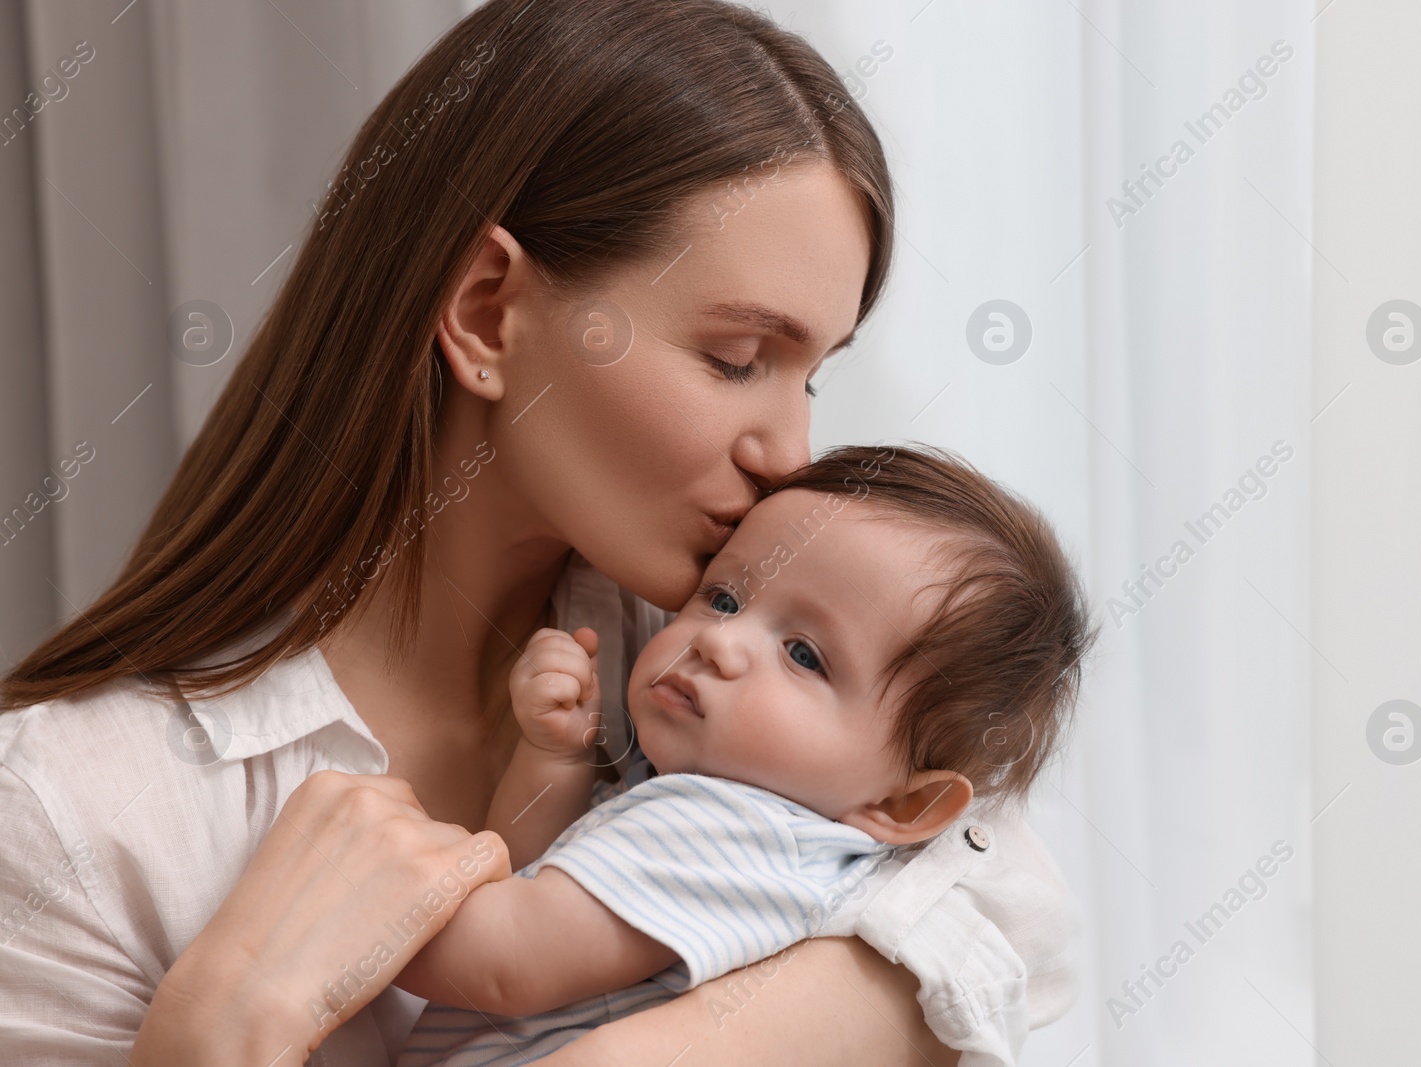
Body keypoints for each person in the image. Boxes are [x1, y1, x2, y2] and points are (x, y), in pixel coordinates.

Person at [0, 1, 1082, 1063]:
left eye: (814, 374)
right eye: (737, 357)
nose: (790, 453)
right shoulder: (71, 804)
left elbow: (1014, 916)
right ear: (484, 312)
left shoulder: (734, 660)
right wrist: (220, 1026)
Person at [393, 445, 1095, 1065]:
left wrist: (362, 912)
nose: (718, 641)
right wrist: (555, 758)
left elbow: (509, 956)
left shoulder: (732, 828)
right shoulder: (746, 821)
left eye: (803, 655)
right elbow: (525, 876)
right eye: (724, 597)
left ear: (903, 804)